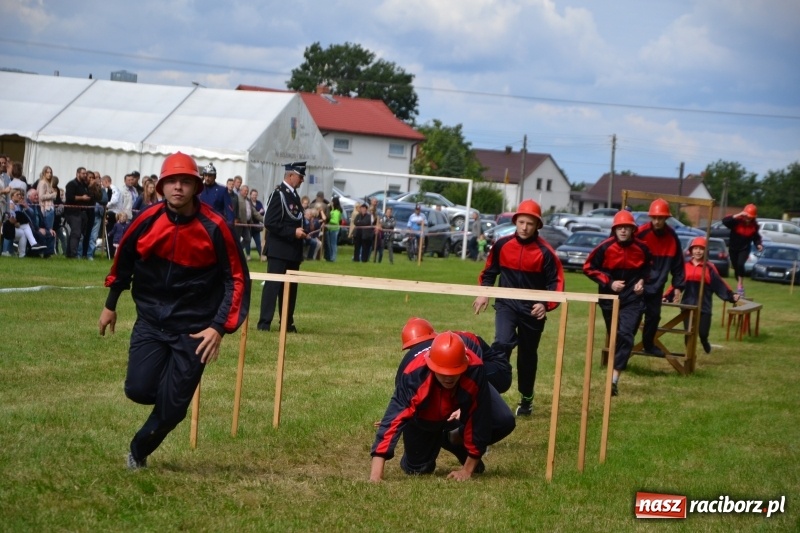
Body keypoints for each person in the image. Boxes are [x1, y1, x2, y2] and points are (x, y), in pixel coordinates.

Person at [98, 152, 250, 470]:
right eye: (172, 182)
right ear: (161, 187)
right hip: (151, 321)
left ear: (196, 186)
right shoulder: (146, 221)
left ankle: (138, 452)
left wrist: (219, 327)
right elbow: (123, 261)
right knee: (138, 389)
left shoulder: (216, 226)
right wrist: (110, 305)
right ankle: (168, 388)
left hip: (196, 329)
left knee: (172, 410)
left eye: (185, 182)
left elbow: (237, 279)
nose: (178, 188)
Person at [370, 331, 514, 481]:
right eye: (443, 372)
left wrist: (467, 469)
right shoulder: (413, 376)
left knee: (502, 420)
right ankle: (427, 436)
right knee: (419, 469)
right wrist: (375, 476)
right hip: (423, 414)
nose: (448, 378)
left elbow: (480, 418)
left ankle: (452, 438)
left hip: (455, 403)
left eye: (454, 372)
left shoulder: (475, 369)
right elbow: (392, 421)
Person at [472, 199, 565, 416]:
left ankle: (526, 398)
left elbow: (556, 283)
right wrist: (484, 293)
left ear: (537, 226)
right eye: (521, 222)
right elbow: (489, 272)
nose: (524, 227)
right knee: (501, 343)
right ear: (515, 222)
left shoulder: (546, 252)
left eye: (529, 223)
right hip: (506, 305)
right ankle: (492, 392)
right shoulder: (502, 245)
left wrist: (545, 304)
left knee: (527, 355)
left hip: (533, 310)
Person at [583, 210, 652, 396]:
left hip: (632, 298)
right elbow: (588, 268)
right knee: (617, 336)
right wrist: (609, 282)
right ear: (614, 229)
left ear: (633, 230)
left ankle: (613, 379)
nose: (623, 230)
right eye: (620, 227)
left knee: (626, 334)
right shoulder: (604, 247)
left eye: (627, 228)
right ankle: (613, 375)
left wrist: (642, 282)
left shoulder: (642, 248)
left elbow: (649, 268)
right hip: (608, 299)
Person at [664, 237, 739, 354]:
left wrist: (731, 295)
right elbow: (676, 284)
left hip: (704, 306)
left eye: (701, 249)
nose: (698, 251)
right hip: (687, 305)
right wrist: (667, 296)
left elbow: (719, 283)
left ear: (705, 251)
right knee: (688, 332)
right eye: (695, 248)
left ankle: (704, 341)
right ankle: (689, 355)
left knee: (703, 332)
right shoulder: (685, 267)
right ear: (691, 250)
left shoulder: (709, 267)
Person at [257, 162, 307, 333]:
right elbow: (269, 222)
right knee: (273, 287)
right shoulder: (278, 194)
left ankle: (287, 322)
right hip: (279, 250)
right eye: (300, 177)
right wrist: (293, 232)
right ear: (291, 175)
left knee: (290, 290)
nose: (302, 181)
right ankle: (264, 323)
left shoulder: (294, 196)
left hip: (292, 251)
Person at [636, 199, 685, 356]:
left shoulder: (672, 236)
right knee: (634, 316)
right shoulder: (641, 233)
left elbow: (678, 262)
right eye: (654, 218)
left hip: (658, 285)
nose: (657, 221)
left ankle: (648, 345)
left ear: (666, 218)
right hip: (639, 284)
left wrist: (678, 286)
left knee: (654, 316)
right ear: (651, 217)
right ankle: (623, 347)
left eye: (660, 218)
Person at [723, 204, 763, 298]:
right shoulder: (736, 222)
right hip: (733, 248)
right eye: (747, 217)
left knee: (740, 264)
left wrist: (758, 244)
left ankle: (740, 285)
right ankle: (740, 283)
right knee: (736, 266)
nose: (748, 219)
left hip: (744, 249)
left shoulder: (754, 226)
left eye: (750, 218)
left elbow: (756, 237)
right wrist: (738, 214)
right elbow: (725, 221)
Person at [64, 167, 93, 258]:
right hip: (72, 212)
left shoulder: (84, 185)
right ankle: (73, 254)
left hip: (82, 212)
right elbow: (69, 197)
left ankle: (69, 253)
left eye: (85, 174)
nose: (85, 175)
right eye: (83, 173)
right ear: (77, 174)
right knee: (76, 233)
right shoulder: (71, 184)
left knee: (77, 233)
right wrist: (82, 198)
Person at [325, 196, 343, 262]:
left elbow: (335, 221)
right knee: (330, 243)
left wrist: (329, 220)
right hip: (330, 228)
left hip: (334, 229)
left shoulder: (337, 211)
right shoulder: (332, 210)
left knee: (333, 243)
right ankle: (330, 256)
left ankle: (333, 257)